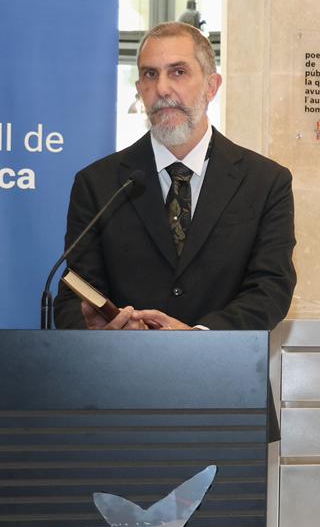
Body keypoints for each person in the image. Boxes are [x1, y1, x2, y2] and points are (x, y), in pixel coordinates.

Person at [53, 21, 295, 332]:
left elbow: (270, 290)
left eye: (178, 72)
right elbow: (74, 296)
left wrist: (196, 338)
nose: (162, 89)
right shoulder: (98, 184)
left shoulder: (265, 182)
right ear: (140, 88)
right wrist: (96, 329)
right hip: (123, 374)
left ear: (211, 86)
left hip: (226, 374)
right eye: (150, 75)